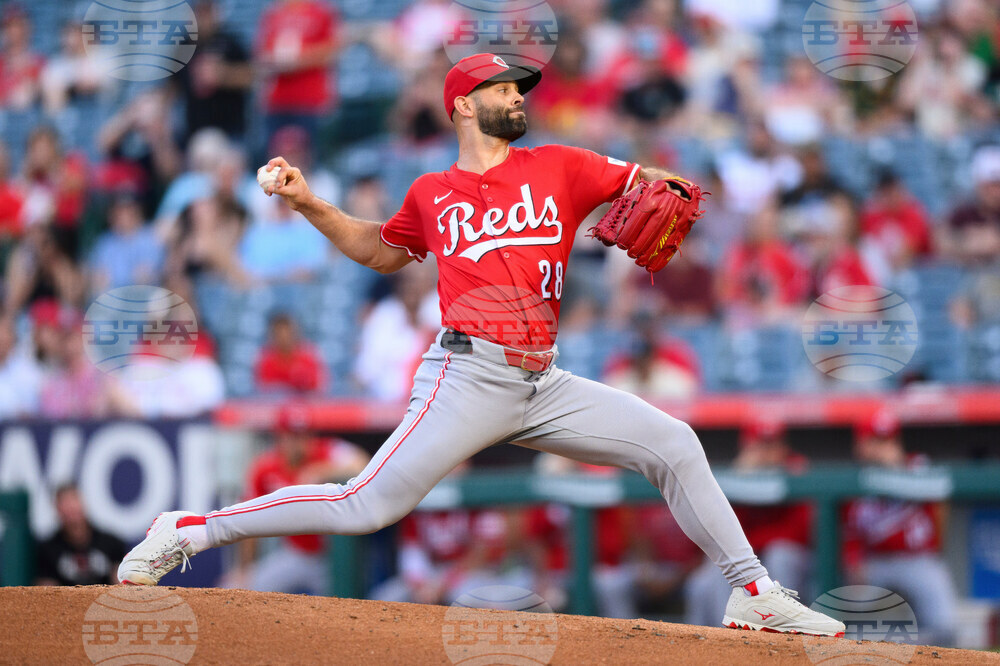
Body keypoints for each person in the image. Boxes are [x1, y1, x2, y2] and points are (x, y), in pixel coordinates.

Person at [118, 53, 844, 637]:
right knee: (364, 505)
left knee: (676, 442)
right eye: (504, 88)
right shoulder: (434, 191)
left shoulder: (561, 164)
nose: (520, 96)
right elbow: (380, 251)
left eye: (522, 88)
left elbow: (643, 179)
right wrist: (310, 203)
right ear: (464, 103)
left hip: (543, 382)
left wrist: (669, 184)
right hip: (466, 374)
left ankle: (754, 592)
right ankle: (189, 529)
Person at [843, 410, 959, 647]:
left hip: (917, 560)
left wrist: (895, 469)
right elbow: (848, 533)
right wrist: (853, 562)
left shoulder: (918, 466)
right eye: (874, 441)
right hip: (873, 564)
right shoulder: (851, 481)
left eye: (887, 440)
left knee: (946, 627)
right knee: (838, 619)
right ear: (860, 445)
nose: (881, 448)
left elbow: (939, 505)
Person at [229, 406, 368, 595]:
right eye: (293, 436)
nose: (300, 442)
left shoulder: (325, 451)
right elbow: (248, 524)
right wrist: (244, 569)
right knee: (238, 588)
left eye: (304, 435)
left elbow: (363, 462)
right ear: (280, 436)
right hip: (297, 553)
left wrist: (320, 471)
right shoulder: (266, 468)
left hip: (332, 559)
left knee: (342, 607)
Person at [36, 485, 127, 586]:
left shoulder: (111, 544)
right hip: (66, 601)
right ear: (57, 510)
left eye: (73, 503)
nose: (70, 510)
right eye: (65, 505)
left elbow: (121, 583)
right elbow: (46, 591)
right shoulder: (48, 550)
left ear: (82, 504)